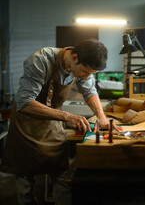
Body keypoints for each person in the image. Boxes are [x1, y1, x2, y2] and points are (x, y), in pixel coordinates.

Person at [0, 38, 122, 205]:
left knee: (62, 177)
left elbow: (89, 91)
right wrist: (66, 116)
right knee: (25, 183)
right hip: (26, 125)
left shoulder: (82, 67)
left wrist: (102, 118)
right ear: (74, 57)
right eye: (85, 72)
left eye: (90, 74)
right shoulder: (40, 60)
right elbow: (25, 102)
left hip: (51, 124)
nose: (85, 77)